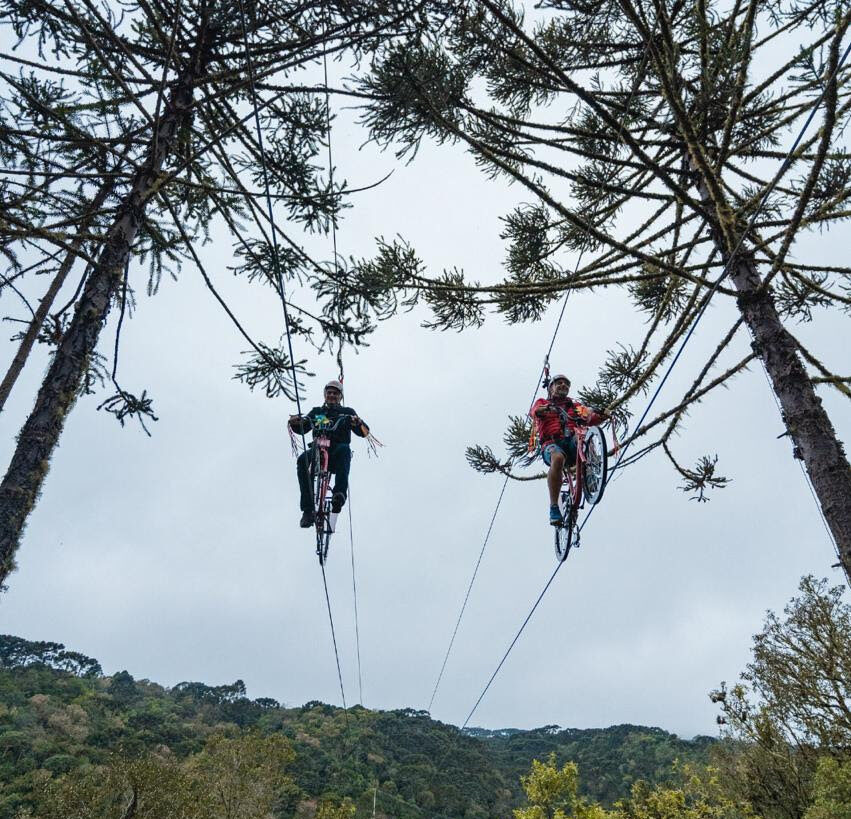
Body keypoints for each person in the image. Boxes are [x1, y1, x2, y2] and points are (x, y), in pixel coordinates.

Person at [289, 380, 369, 528]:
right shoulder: (317, 412)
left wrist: (357, 423)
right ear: (325, 395)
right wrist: (295, 423)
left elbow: (364, 432)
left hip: (337, 452)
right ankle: (307, 510)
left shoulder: (347, 412)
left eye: (335, 393)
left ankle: (339, 495)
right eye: (329, 393)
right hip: (318, 450)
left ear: (340, 396)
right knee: (302, 460)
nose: (332, 395)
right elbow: (303, 427)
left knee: (345, 450)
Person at [530, 374, 607, 526]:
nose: (563, 385)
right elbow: (535, 411)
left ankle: (590, 476)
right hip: (551, 444)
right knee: (558, 458)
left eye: (566, 384)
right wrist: (544, 409)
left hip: (572, 442)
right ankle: (554, 507)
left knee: (583, 438)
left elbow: (589, 418)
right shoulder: (543, 402)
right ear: (551, 388)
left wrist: (602, 416)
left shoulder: (575, 406)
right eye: (559, 383)